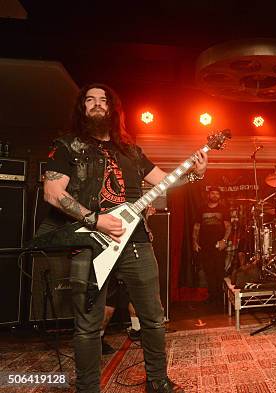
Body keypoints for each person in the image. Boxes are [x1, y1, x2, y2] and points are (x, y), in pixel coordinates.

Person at [40, 83, 207, 393]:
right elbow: (52, 193)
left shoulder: (131, 151)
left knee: (153, 319)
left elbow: (165, 182)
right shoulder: (68, 146)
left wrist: (195, 173)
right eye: (89, 99)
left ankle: (157, 381)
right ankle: (88, 388)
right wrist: (95, 219)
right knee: (88, 326)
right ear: (82, 108)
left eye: (103, 99)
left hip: (136, 242)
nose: (96, 104)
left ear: (113, 108)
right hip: (89, 243)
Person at [192, 186, 231, 304]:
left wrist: (224, 241)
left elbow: (228, 226)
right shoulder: (201, 209)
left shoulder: (224, 209)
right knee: (208, 271)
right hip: (205, 245)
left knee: (219, 270)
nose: (215, 195)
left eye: (217, 194)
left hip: (219, 244)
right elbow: (196, 227)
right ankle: (212, 295)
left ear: (219, 196)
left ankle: (220, 296)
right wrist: (195, 242)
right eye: (212, 193)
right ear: (208, 195)